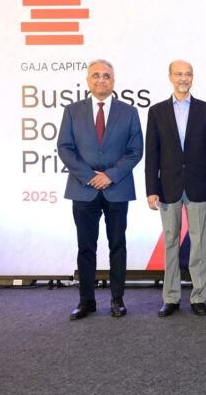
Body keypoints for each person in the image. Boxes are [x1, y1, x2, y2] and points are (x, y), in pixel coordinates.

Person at [57, 59, 143, 320]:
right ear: (88, 80)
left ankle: (117, 299)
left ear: (113, 81)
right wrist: (89, 177)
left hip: (117, 189)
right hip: (83, 190)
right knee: (86, 247)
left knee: (118, 245)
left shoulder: (129, 112)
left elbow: (135, 150)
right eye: (96, 75)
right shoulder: (72, 111)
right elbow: (65, 148)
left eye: (106, 76)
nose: (101, 80)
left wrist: (110, 176)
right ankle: (87, 301)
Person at [145, 60, 206, 317]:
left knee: (200, 243)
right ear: (170, 77)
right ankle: (171, 297)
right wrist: (151, 189)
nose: (183, 78)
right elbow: (152, 154)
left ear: (193, 77)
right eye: (179, 74)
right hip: (168, 187)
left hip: (199, 185)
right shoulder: (156, 112)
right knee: (170, 242)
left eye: (188, 74)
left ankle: (199, 297)